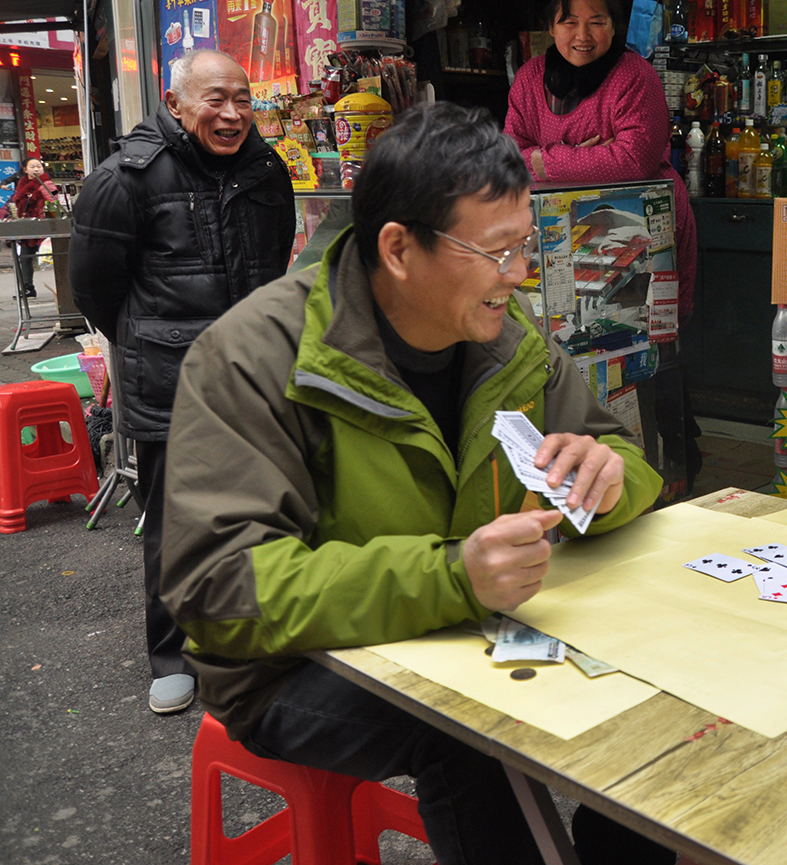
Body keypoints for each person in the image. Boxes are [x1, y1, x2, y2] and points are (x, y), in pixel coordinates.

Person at [159, 102, 673, 865]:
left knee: (660, 661)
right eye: (497, 252)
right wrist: (452, 578)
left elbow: (617, 454)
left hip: (464, 626)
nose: (521, 274)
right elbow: (221, 589)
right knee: (465, 731)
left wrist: (608, 478)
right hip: (292, 667)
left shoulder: (508, 335)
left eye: (525, 247)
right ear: (398, 248)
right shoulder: (251, 357)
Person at [69, 49, 296, 716]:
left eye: (243, 99)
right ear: (175, 104)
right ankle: (171, 655)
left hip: (251, 375)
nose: (231, 114)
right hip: (170, 378)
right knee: (173, 523)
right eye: (214, 99)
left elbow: (273, 266)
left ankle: (248, 638)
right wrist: (151, 343)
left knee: (260, 507)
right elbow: (97, 291)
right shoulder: (125, 178)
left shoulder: (265, 169)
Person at [505, 0, 701, 491]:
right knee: (573, 352)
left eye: (597, 21)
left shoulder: (635, 77)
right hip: (559, 238)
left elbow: (633, 158)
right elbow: (509, 152)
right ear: (551, 26)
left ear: (615, 27)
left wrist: (546, 159)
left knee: (649, 348)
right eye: (569, 21)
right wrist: (588, 155)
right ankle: (584, 471)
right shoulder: (530, 79)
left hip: (641, 230)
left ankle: (674, 469)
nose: (582, 35)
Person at [3, 157, 58, 297]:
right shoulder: (21, 183)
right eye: (32, 166)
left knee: (57, 256)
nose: (36, 169)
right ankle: (28, 288)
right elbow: (13, 203)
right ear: (25, 169)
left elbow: (53, 202)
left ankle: (64, 289)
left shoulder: (46, 183)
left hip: (44, 225)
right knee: (25, 257)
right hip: (27, 226)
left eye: (39, 166)